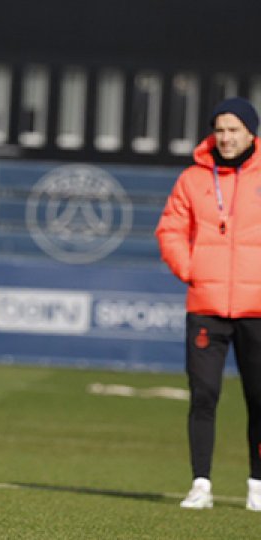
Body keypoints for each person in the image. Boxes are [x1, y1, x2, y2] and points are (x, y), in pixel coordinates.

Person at [156, 96, 261, 511]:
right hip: (206, 304)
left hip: (257, 308)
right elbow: (170, 229)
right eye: (220, 130)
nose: (226, 137)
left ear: (251, 133)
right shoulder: (193, 178)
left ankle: (257, 486)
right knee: (203, 395)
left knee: (260, 399)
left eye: (234, 130)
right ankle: (200, 484)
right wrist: (191, 269)